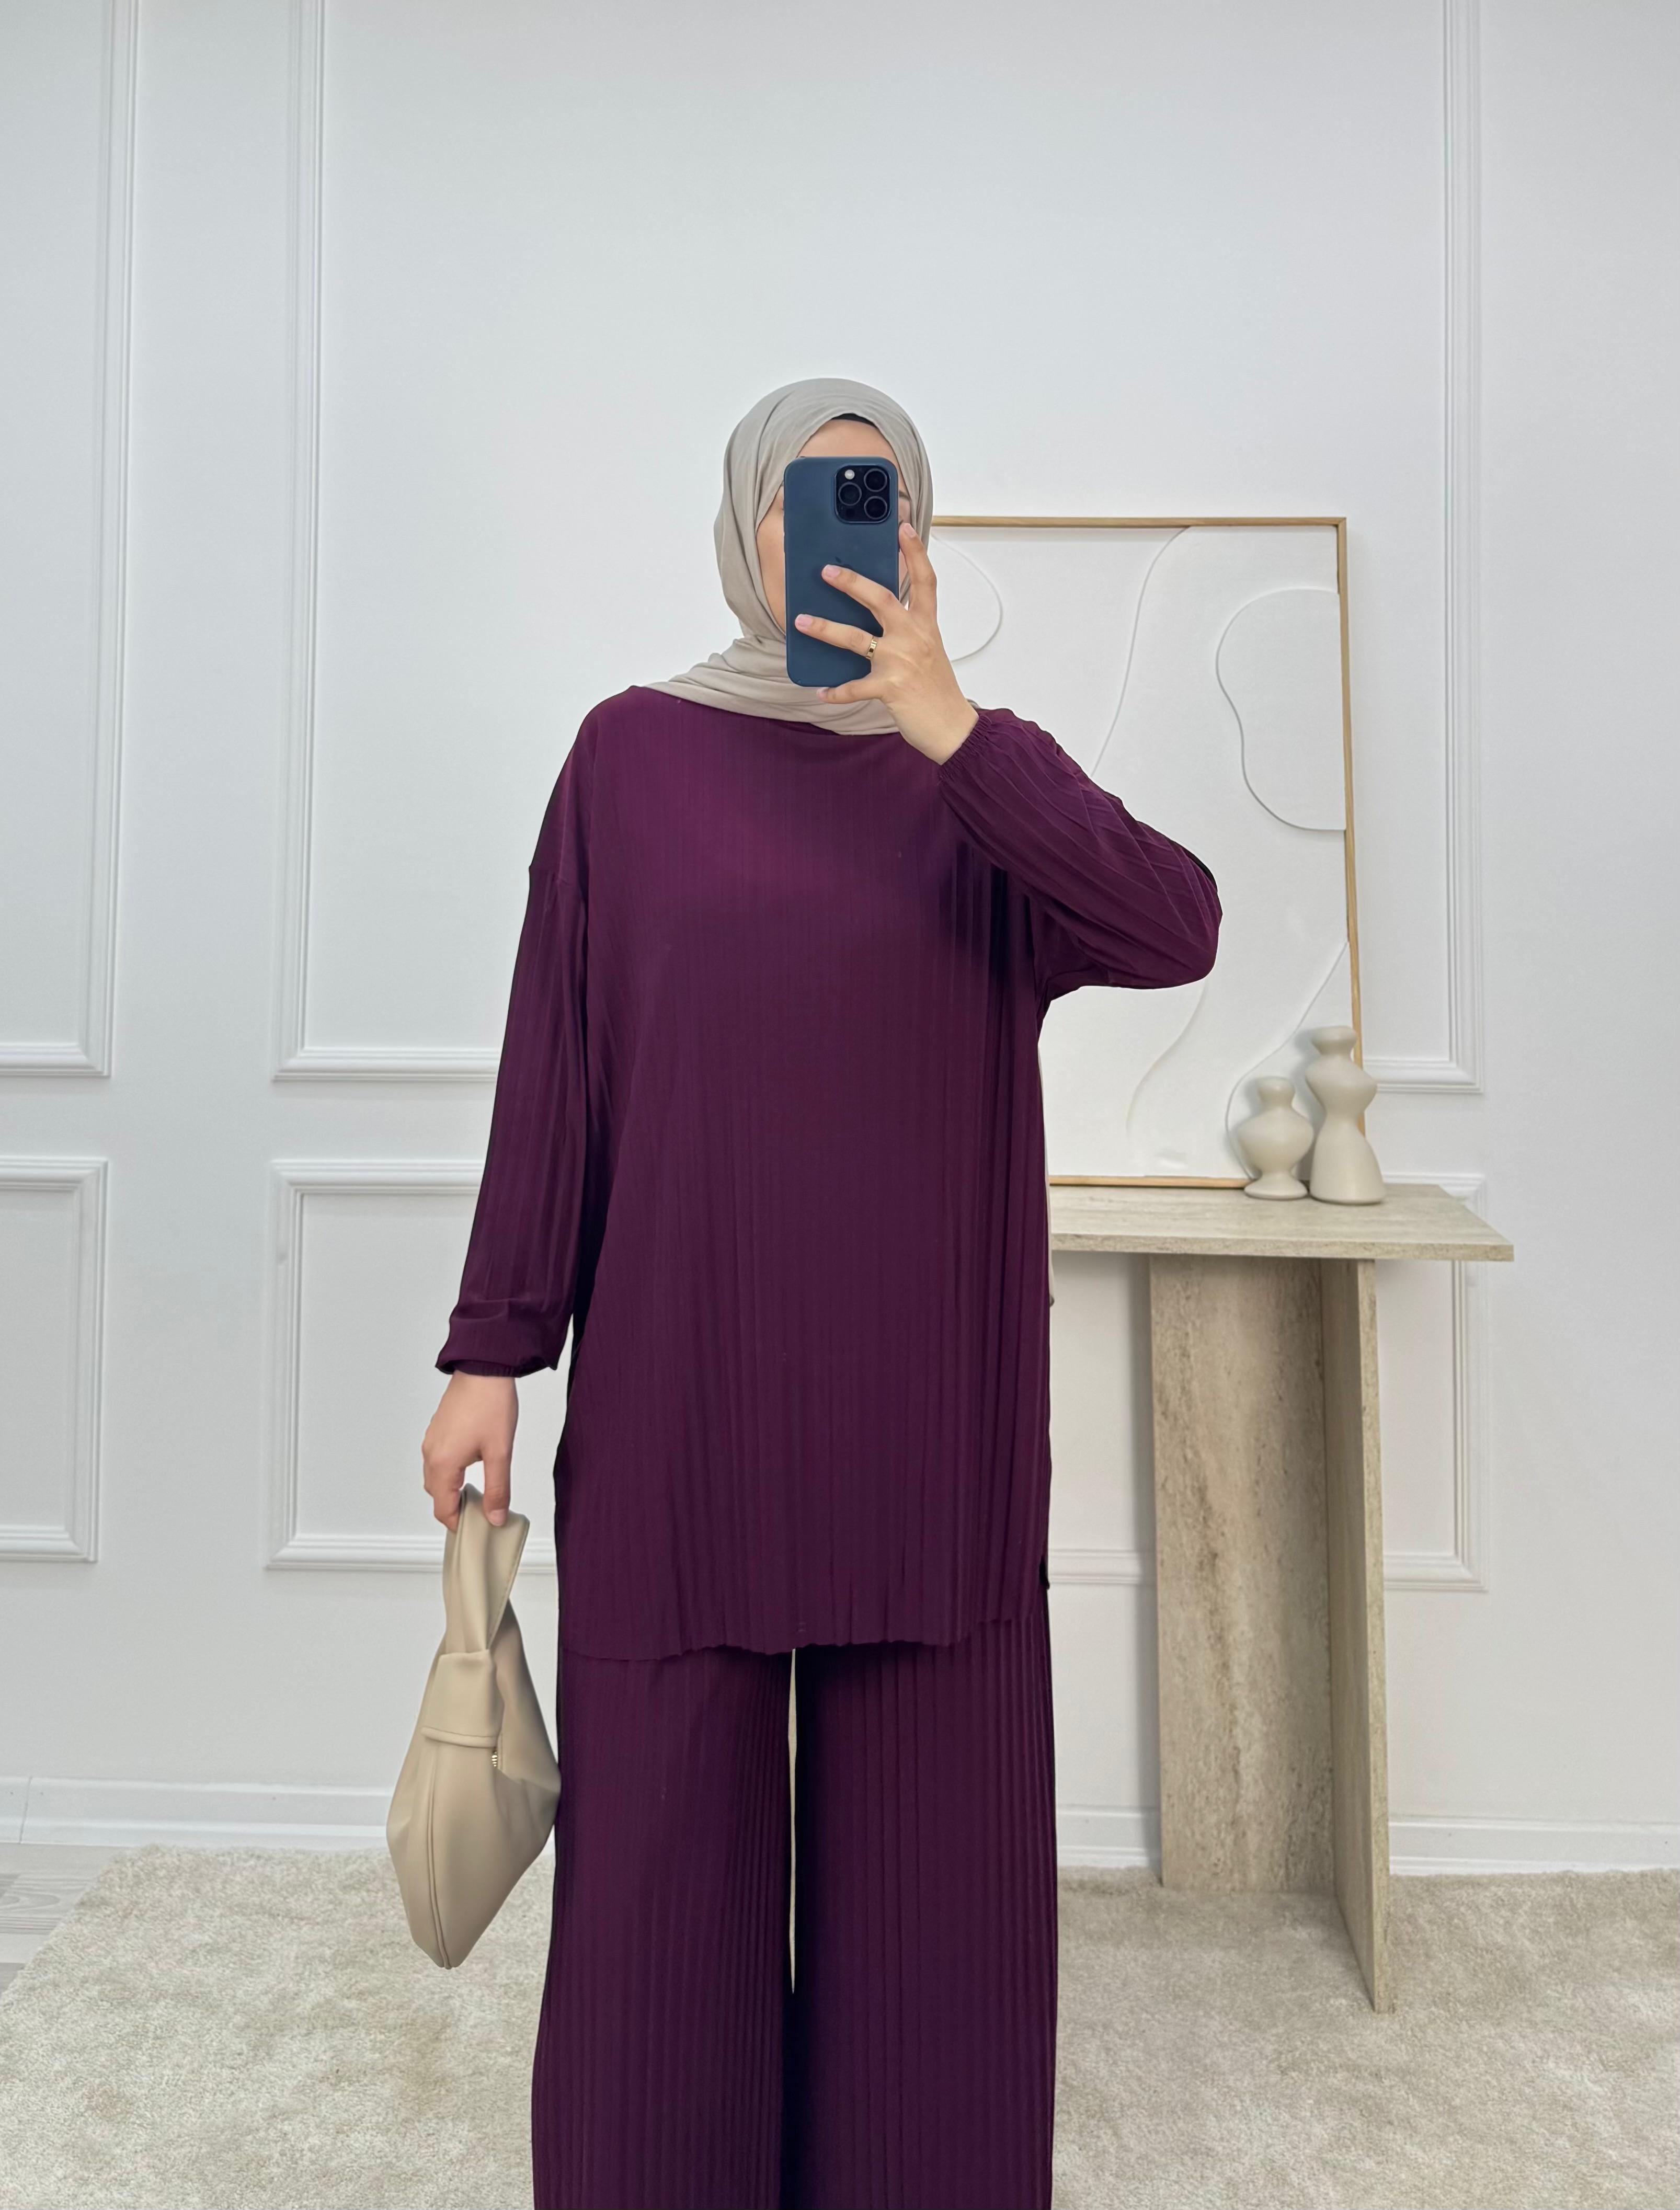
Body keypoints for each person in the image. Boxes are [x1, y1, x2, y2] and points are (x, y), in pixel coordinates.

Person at [420, 375, 1221, 2210]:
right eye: (807, 499)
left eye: (882, 499)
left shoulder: (983, 783)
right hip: (684, 1411)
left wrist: (951, 727)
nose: (844, 533)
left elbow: (1175, 925)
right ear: (744, 528)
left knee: (938, 1933)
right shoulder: (627, 762)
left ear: (923, 538)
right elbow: (559, 1072)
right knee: (655, 1917)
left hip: (926, 1430)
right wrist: (490, 1353)